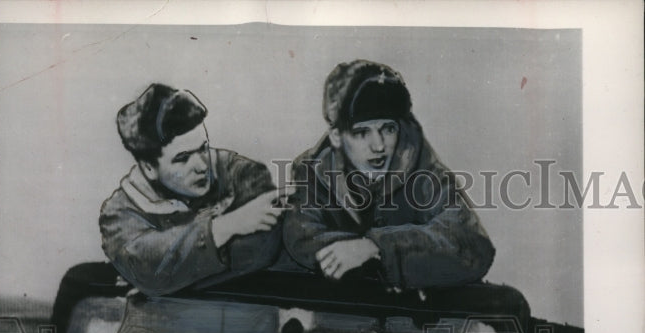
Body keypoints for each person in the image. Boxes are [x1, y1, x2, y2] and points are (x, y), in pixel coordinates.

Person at [283, 60, 495, 288]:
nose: (379, 146)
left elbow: (472, 243)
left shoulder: (420, 164)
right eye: (362, 132)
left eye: (388, 129)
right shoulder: (312, 169)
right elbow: (300, 236)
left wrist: (376, 247)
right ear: (336, 136)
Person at [100, 83, 284, 297]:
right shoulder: (118, 215)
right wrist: (225, 227)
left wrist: (169, 280)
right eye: (183, 158)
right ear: (149, 167)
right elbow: (143, 263)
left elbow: (262, 249)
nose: (202, 166)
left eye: (202, 148)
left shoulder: (239, 172)